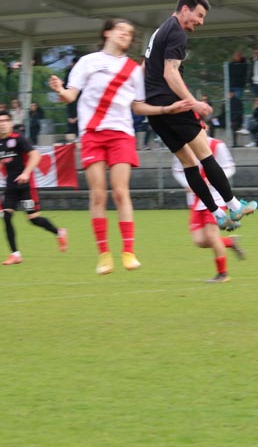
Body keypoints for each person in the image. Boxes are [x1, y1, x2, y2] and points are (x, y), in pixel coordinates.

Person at [50, 18, 188, 274]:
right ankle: (104, 254)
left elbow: (138, 106)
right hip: (92, 134)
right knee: (98, 194)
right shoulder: (88, 62)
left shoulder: (133, 69)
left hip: (121, 134)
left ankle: (128, 251)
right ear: (107, 33)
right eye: (121, 30)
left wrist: (166, 109)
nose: (126, 34)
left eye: (130, 33)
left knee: (121, 192)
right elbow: (70, 95)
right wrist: (60, 89)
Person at [143, 0, 257, 230]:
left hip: (156, 111)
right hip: (175, 105)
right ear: (185, 9)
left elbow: (145, 68)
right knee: (206, 156)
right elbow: (170, 73)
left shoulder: (159, 31)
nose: (201, 22)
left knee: (189, 164)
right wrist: (193, 102)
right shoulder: (176, 32)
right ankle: (234, 205)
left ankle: (217, 214)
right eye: (200, 15)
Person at [0, 110, 67, 265]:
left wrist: (26, 173)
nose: (2, 124)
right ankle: (15, 254)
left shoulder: (19, 138)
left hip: (26, 186)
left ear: (10, 123)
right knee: (6, 216)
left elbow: (35, 155)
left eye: (5, 120)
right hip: (11, 186)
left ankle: (59, 232)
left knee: (33, 219)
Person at [171, 128, 246, 283]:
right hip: (195, 199)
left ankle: (222, 274)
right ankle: (229, 242)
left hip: (216, 197)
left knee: (212, 236)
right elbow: (177, 170)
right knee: (200, 241)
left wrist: (212, 180)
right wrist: (187, 184)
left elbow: (230, 167)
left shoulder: (217, 145)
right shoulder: (182, 146)